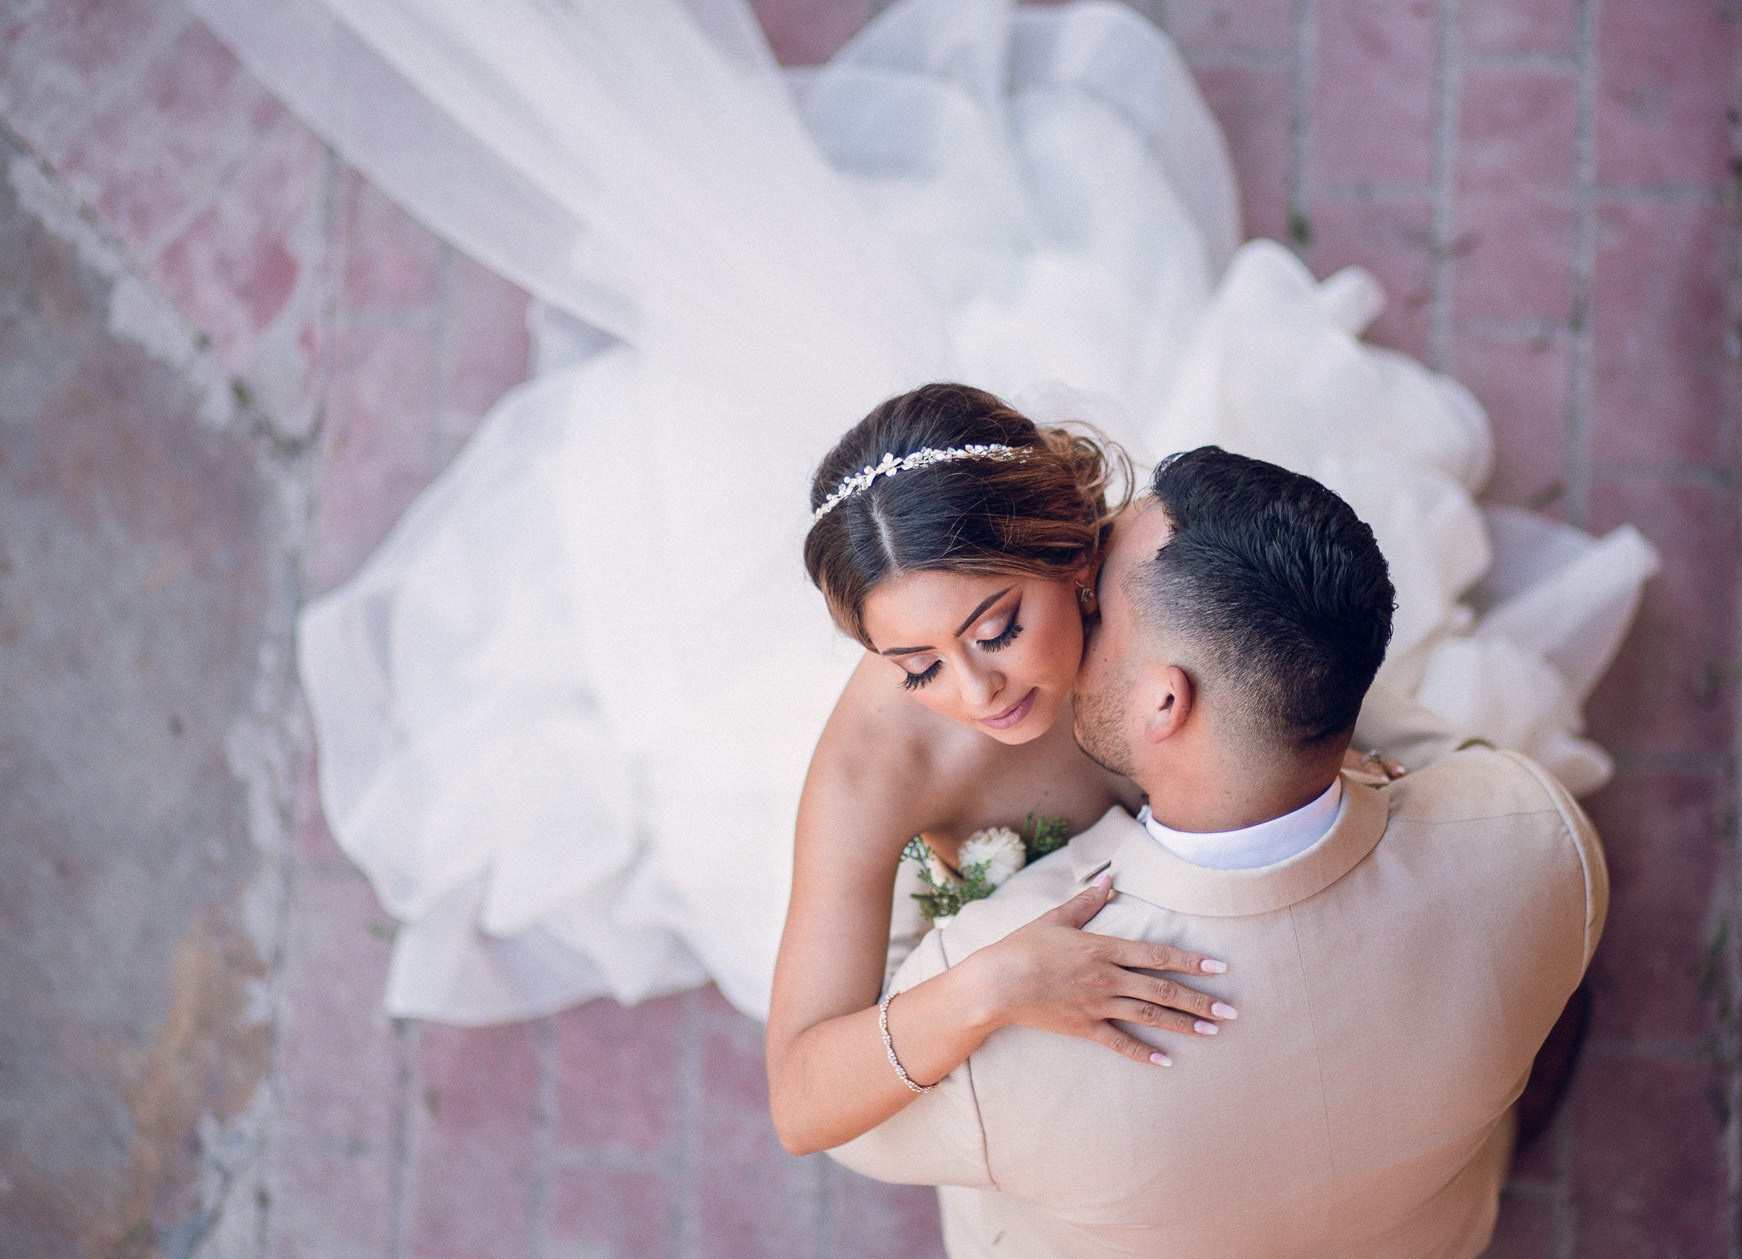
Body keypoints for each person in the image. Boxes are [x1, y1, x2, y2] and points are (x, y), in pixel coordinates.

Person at [194, 0, 1655, 1025]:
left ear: (1074, 550)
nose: (981, 692)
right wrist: (984, 985)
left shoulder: (1164, 583)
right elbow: (804, 1085)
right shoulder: (873, 769)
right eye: (914, 663)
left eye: (999, 624)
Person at [830, 447, 1609, 1259]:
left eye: (1097, 602)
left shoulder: (1008, 983)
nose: (1078, 595)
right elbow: (1457, 760)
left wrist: (886, 809)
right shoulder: (1540, 835)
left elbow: (853, 1121)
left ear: (1167, 697)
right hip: (1415, 1245)